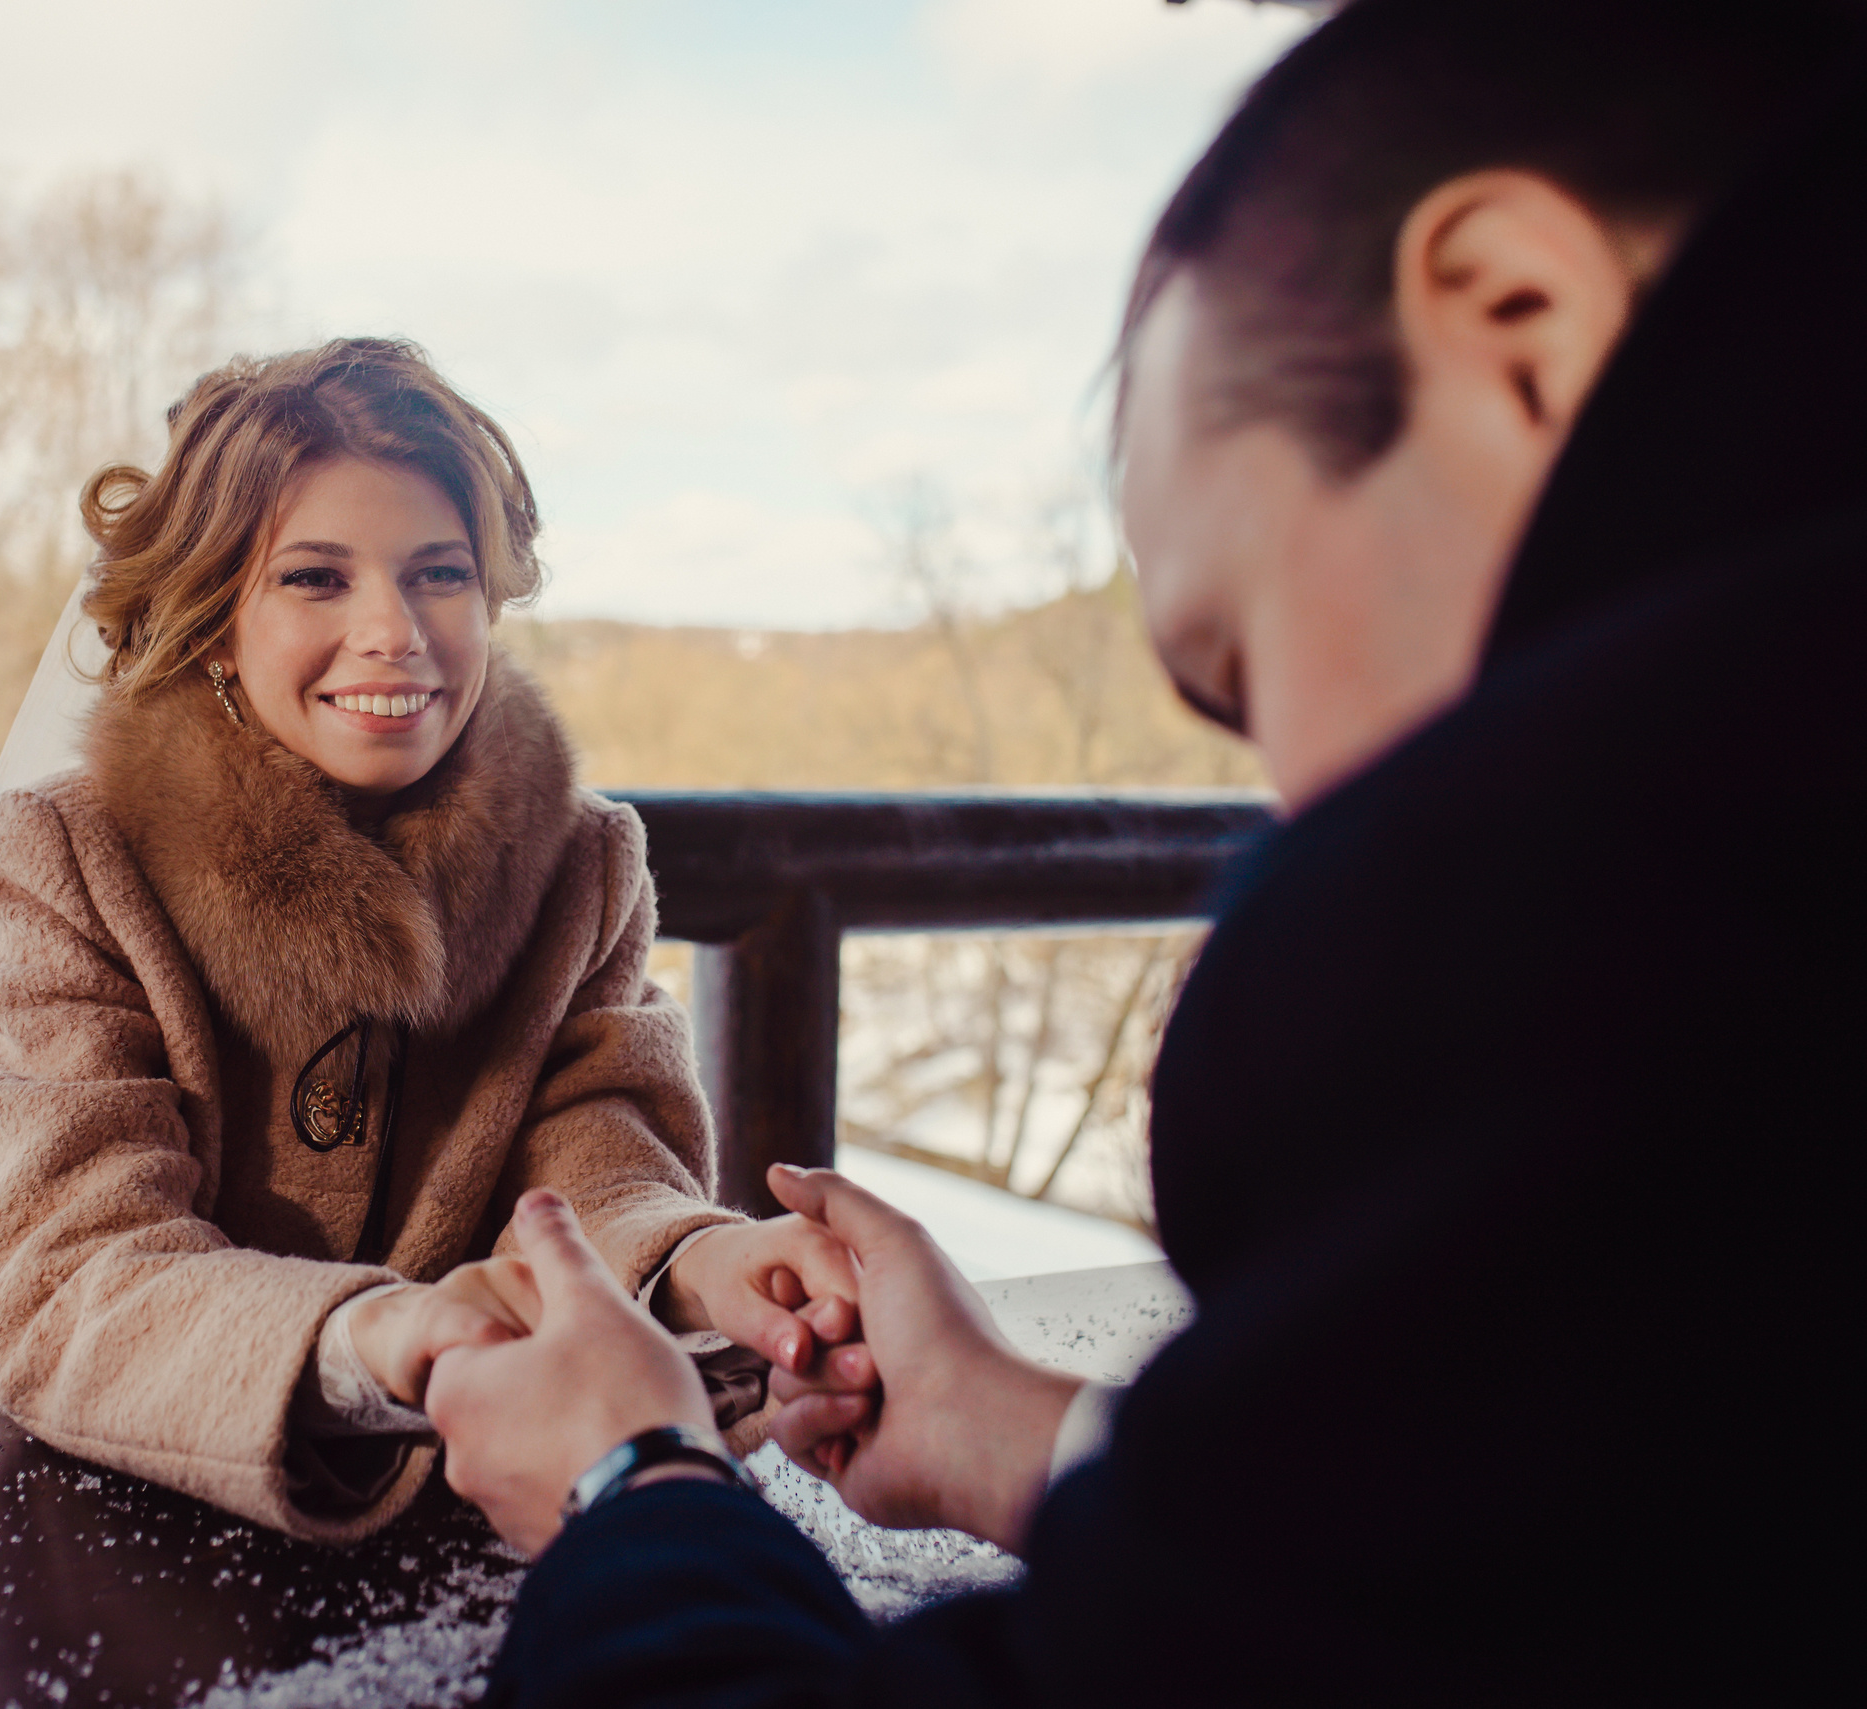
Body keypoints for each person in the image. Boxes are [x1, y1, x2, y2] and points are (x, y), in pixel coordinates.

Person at [427, 0, 1865, 1699]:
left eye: (1245, 663)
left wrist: (632, 1490)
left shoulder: (1625, 978)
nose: (1291, 801)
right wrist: (1015, 1433)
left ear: (1524, 327)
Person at [0, 338, 860, 1542]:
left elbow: (598, 1173)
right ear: (219, 617)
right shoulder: (73, 858)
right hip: (61, 1522)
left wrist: (710, 1269)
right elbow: (69, 1275)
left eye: (439, 573)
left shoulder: (582, 864)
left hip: (451, 1510)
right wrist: (365, 1335)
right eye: (317, 579)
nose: (393, 628)